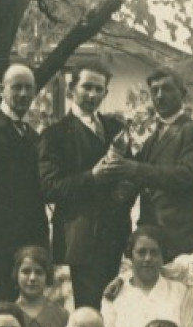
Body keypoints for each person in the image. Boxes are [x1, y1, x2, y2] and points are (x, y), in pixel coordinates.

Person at [39, 58, 133, 309]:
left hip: (115, 238)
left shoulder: (116, 129)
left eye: (98, 89)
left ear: (106, 92)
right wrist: (92, 177)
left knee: (114, 312)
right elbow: (49, 187)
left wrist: (126, 190)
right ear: (71, 89)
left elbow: (132, 174)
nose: (92, 94)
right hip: (78, 242)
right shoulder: (55, 135)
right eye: (86, 87)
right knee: (85, 312)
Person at [0, 64, 49, 298]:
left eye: (29, 88)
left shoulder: (32, 136)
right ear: (0, 89)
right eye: (16, 87)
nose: (23, 94)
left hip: (26, 245)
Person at [121, 66, 193, 259]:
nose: (160, 96)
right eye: (155, 90)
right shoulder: (152, 139)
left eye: (167, 89)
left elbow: (187, 175)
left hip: (182, 237)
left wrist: (135, 169)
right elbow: (138, 181)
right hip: (153, 236)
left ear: (183, 94)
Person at [101, 227, 189, 327]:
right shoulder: (114, 293)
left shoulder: (180, 291)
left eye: (154, 253)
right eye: (141, 252)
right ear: (131, 255)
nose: (148, 258)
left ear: (162, 257)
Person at [9, 246, 72, 327]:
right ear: (16, 274)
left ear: (47, 276)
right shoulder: (7, 315)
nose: (32, 278)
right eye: (26, 271)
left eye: (39, 272)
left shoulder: (62, 316)